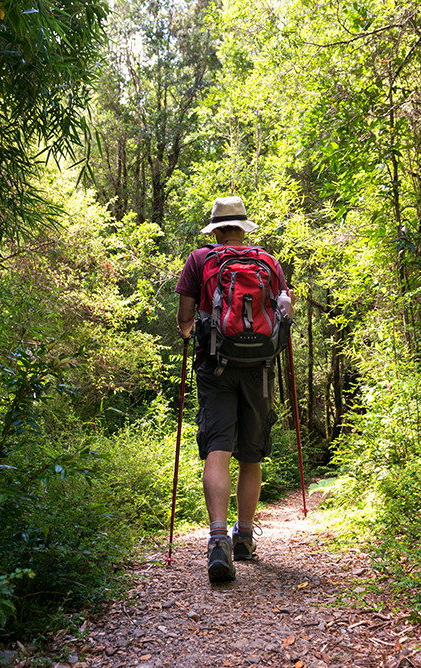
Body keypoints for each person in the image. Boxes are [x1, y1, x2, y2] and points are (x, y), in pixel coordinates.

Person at [175, 195, 295, 583]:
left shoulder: (200, 260)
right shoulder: (268, 261)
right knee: (251, 453)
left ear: (215, 228)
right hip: (260, 368)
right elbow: (284, 312)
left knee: (218, 448)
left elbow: (185, 318)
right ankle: (243, 538)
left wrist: (194, 336)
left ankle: (216, 540)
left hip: (215, 367)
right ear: (244, 227)